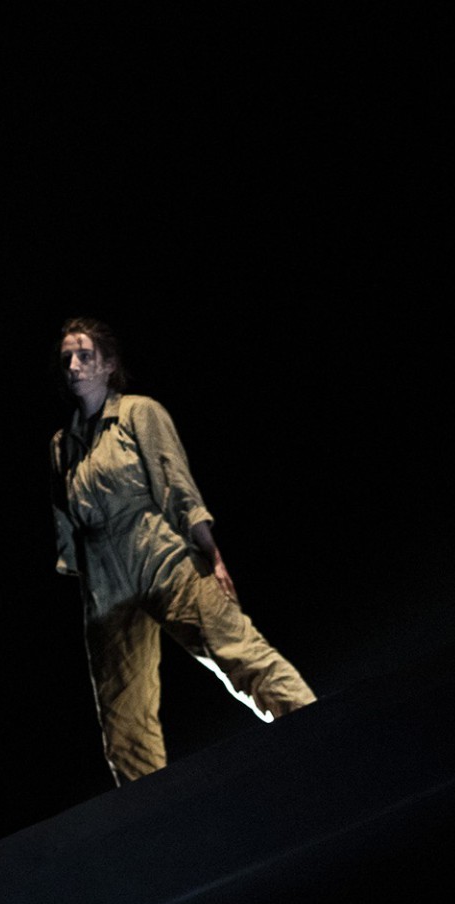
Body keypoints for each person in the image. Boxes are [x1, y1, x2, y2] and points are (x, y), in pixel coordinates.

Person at [51, 318, 315, 784]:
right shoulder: (62, 445)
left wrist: (211, 554)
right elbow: (66, 523)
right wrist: (87, 587)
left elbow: (175, 483)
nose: (73, 366)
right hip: (107, 589)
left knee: (239, 655)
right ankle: (151, 811)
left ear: (108, 365)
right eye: (67, 358)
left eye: (85, 356)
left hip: (163, 559)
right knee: (123, 725)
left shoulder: (139, 412)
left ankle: (320, 734)